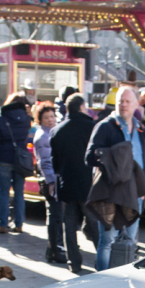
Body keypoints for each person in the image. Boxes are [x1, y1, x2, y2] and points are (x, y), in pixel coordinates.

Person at [86, 86, 145, 271]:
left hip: (134, 193)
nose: (123, 105)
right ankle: (103, 279)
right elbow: (89, 157)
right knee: (107, 240)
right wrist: (112, 158)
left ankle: (123, 280)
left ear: (136, 104)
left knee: (130, 240)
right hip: (111, 192)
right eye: (120, 101)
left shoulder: (140, 129)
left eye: (127, 101)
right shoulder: (105, 126)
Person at [49, 94, 97, 273]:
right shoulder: (91, 127)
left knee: (69, 226)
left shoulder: (57, 130)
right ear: (82, 107)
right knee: (94, 223)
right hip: (87, 185)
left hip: (66, 185)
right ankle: (101, 258)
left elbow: (55, 161)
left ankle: (74, 262)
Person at [0, 91, 33, 234]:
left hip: (3, 160)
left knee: (4, 193)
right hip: (21, 161)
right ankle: (19, 224)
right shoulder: (26, 119)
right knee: (19, 193)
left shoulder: (0, 119)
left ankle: (3, 224)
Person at [31, 102, 63, 263]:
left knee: (56, 215)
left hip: (54, 179)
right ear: (40, 119)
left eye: (52, 116)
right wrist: (51, 182)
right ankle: (54, 249)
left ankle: (54, 249)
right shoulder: (43, 136)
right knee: (55, 215)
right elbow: (45, 162)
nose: (50, 120)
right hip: (50, 180)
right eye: (46, 117)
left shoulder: (53, 133)